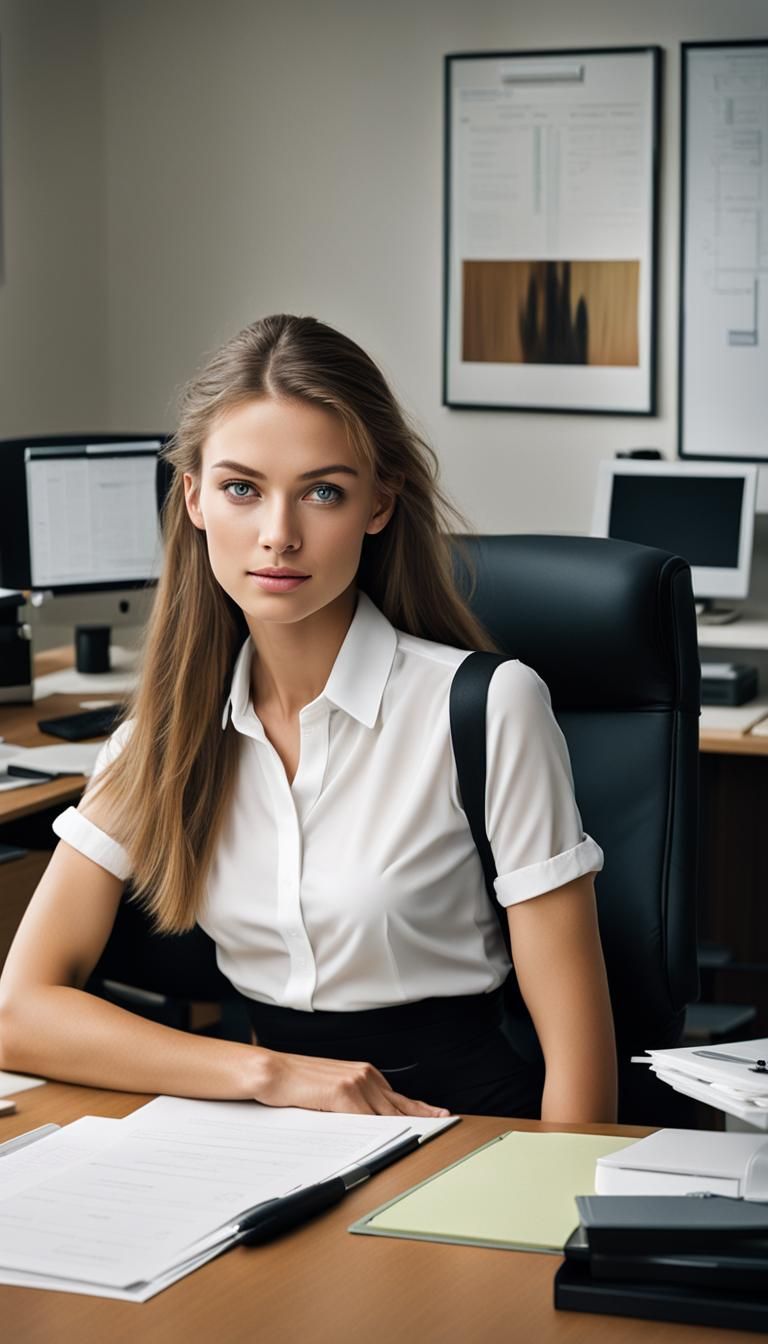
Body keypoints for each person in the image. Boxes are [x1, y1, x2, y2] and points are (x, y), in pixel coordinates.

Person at [0, 314, 617, 1122]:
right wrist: (268, 1074)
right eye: (241, 489)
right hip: (267, 1138)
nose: (278, 535)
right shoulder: (161, 739)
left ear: (379, 502)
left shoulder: (488, 708)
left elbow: (581, 1069)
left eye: (323, 491)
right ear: (192, 497)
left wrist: (547, 1233)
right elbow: (17, 1013)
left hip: (458, 1130)